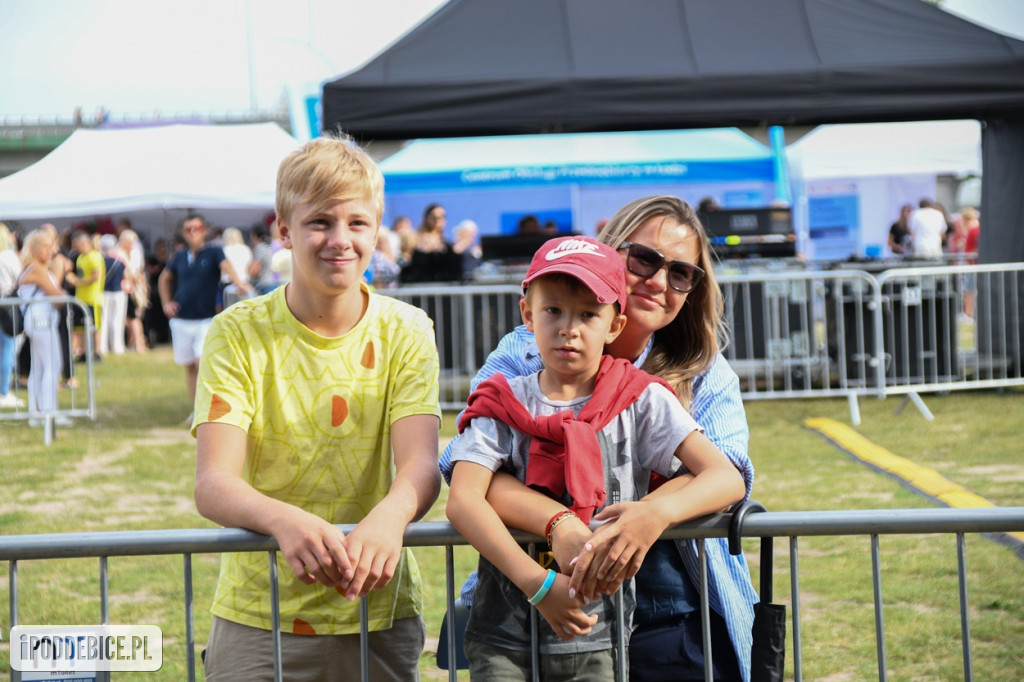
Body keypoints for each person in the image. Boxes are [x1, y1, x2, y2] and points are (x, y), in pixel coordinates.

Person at [440, 195, 757, 681]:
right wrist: (559, 523)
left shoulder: (703, 371)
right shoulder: (523, 358)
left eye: (680, 273)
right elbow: (471, 476)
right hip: (538, 601)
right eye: (645, 259)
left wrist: (652, 514)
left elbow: (725, 471)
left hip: (671, 610)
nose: (657, 281)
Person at [193, 134, 442, 681]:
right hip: (260, 614)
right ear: (284, 229)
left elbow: (421, 465)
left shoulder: (407, 329)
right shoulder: (237, 332)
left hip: (378, 608)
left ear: (377, 228)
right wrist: (283, 521)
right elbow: (213, 482)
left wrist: (392, 516)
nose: (340, 239)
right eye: (320, 222)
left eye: (357, 223)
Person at [157, 215, 250, 419]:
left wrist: (239, 284)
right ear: (184, 233)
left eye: (197, 228)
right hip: (182, 318)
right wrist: (166, 303)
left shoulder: (214, 252)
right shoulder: (179, 256)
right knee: (189, 366)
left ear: (204, 230)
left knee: (203, 362)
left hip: (205, 318)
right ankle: (196, 409)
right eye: (188, 229)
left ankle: (207, 406)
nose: (193, 232)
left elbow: (226, 266)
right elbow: (164, 278)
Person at [17, 229, 73, 427]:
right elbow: (57, 296)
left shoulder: (37, 268)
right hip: (41, 321)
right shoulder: (36, 269)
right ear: (35, 248)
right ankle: (49, 411)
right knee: (52, 364)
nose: (52, 251)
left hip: (41, 321)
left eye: (52, 246)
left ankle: (38, 413)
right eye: (47, 247)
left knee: (39, 367)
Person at [399, 203, 463, 283]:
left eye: (442, 217)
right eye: (434, 217)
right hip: (420, 286)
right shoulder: (414, 239)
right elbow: (406, 262)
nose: (437, 220)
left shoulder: (447, 245)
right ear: (426, 218)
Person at [66, 230, 105, 362]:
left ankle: (97, 352)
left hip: (92, 298)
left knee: (94, 327)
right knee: (79, 327)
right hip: (81, 297)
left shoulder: (94, 257)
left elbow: (95, 277)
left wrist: (77, 281)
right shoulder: (80, 258)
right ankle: (83, 352)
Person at [0, 222, 25, 408]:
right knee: (7, 349)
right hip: (7, 304)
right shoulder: (9, 256)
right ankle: (3, 392)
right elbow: (20, 278)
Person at [117, 228, 149, 352]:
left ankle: (139, 343)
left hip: (133, 289)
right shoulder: (125, 254)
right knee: (131, 318)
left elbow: (136, 273)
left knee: (133, 317)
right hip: (131, 288)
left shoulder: (133, 254)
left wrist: (133, 278)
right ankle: (135, 342)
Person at [98, 234, 128, 355]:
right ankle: (118, 347)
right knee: (117, 320)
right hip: (118, 292)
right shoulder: (120, 261)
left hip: (104, 292)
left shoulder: (100, 261)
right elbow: (126, 276)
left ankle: (103, 347)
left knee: (104, 321)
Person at [219, 226, 253, 308]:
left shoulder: (224, 250)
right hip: (244, 283)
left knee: (228, 311)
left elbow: (223, 269)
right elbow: (250, 267)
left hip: (228, 284)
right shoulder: (246, 249)